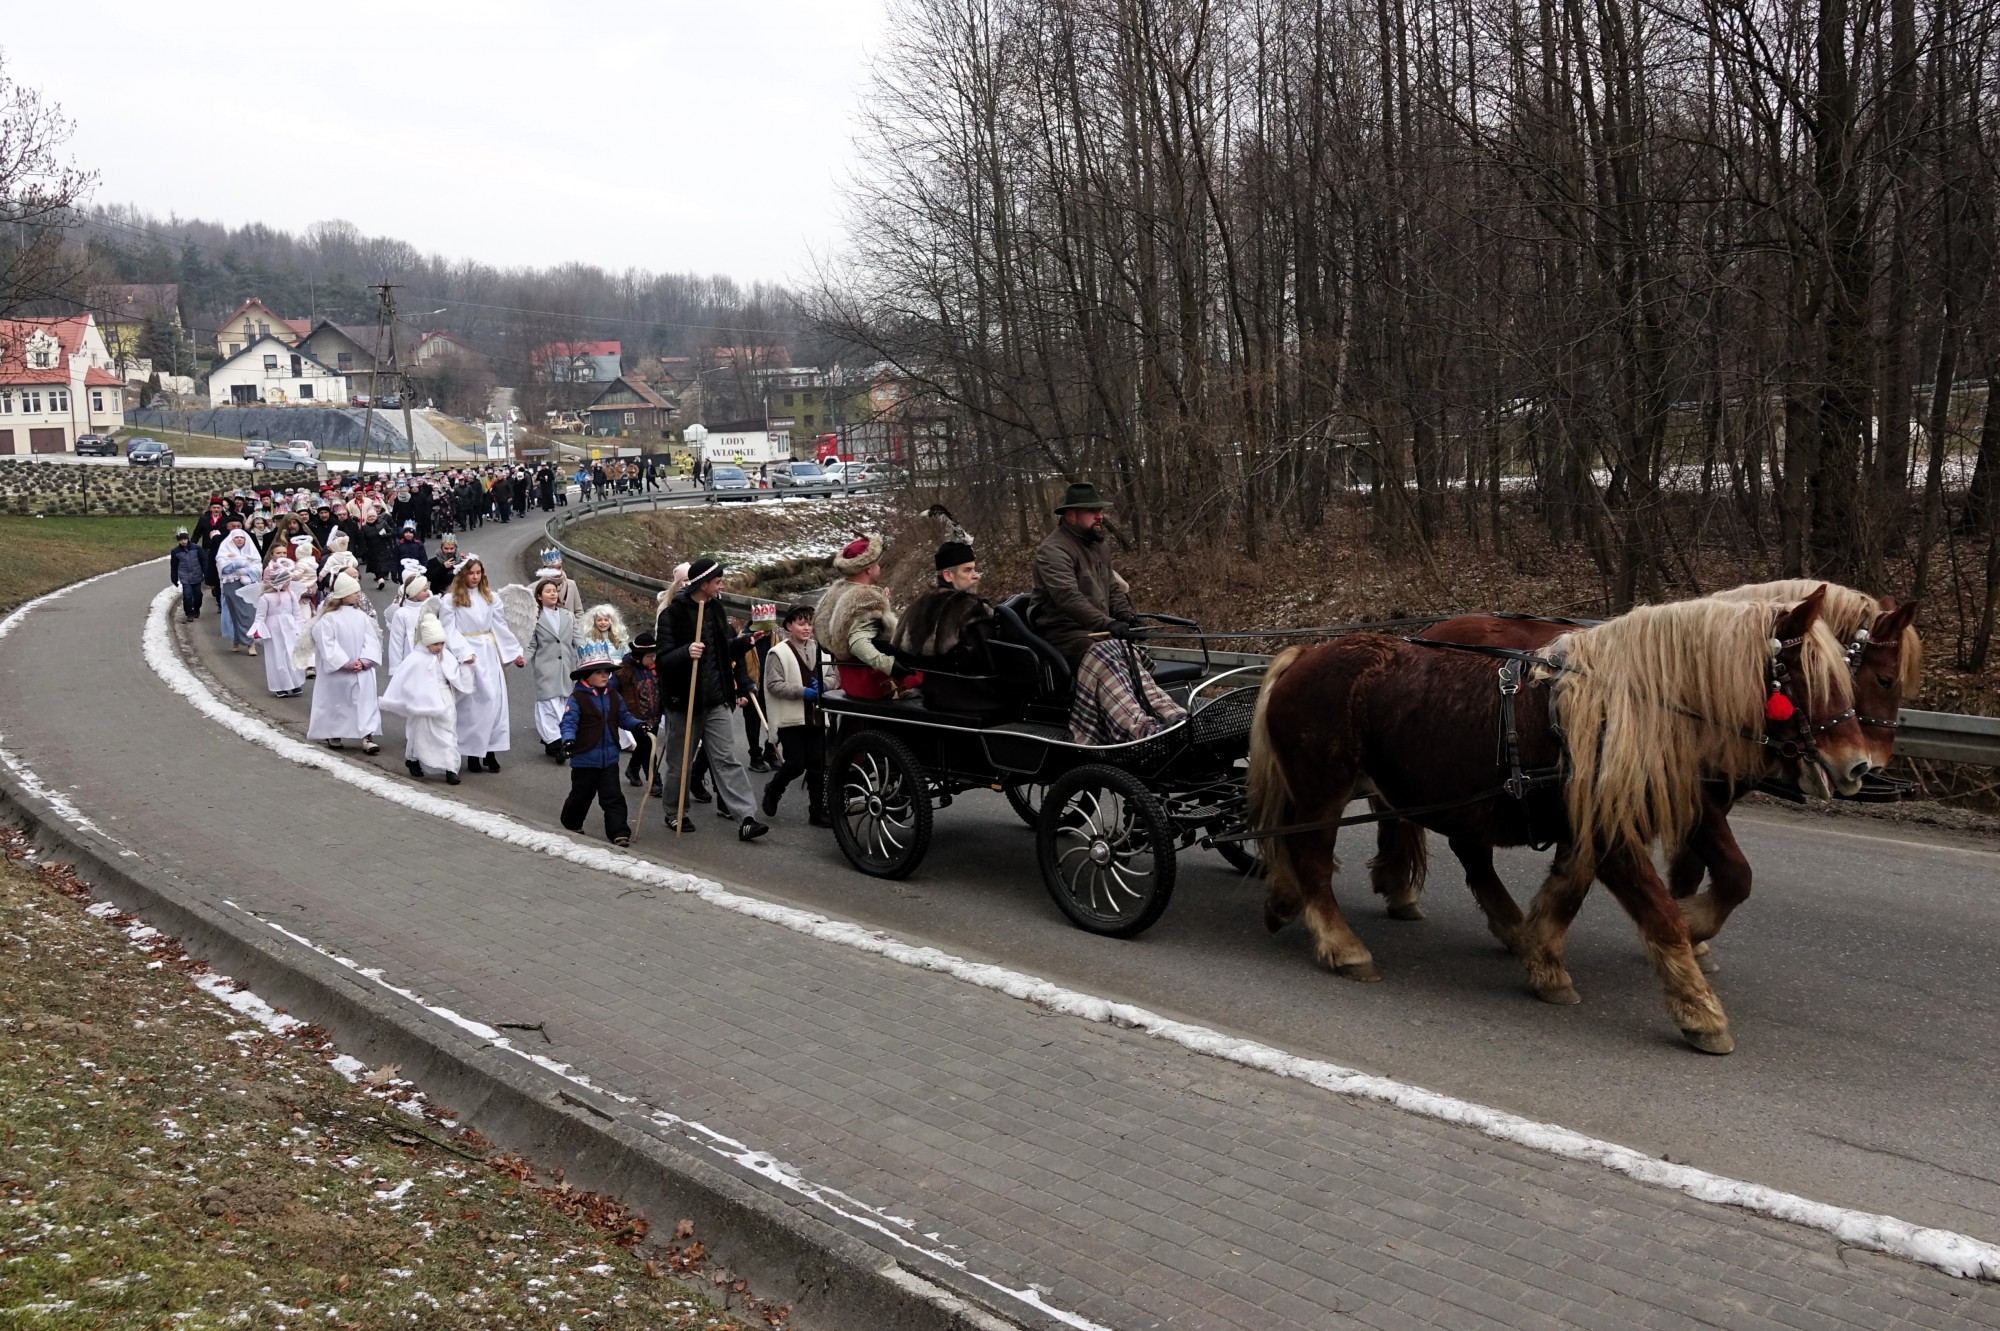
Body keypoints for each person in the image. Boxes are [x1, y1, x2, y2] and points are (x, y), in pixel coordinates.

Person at [1029, 481, 1186, 743]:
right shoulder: (1053, 550)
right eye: (1092, 511)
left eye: (1099, 510)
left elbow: (1113, 589)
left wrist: (1127, 617)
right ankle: (1139, 729)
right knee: (1110, 651)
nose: (1100, 516)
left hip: (1095, 631)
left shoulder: (1098, 545)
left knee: (1125, 652)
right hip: (1063, 635)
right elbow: (1068, 597)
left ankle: (1174, 717)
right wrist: (1108, 623)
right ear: (1071, 515)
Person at [655, 556, 767, 840]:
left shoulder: (716, 610)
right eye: (718, 582)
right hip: (684, 703)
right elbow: (663, 659)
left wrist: (743, 643)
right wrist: (686, 652)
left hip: (716, 700)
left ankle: (746, 817)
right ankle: (675, 812)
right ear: (704, 584)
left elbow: (722, 649)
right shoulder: (673, 615)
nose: (722, 586)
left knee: (727, 759)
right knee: (680, 763)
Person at [436, 555, 525, 774]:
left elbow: (499, 626)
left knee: (494, 701)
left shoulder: (490, 597)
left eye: (478, 573)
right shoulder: (451, 600)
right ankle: (473, 753)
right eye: (471, 573)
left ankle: (490, 750)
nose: (475, 577)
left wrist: (515, 652)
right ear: (462, 575)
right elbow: (448, 629)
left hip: (488, 651)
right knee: (472, 705)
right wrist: (462, 652)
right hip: (468, 652)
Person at [893, 539, 1002, 714]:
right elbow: (991, 660)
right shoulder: (972, 609)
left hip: (932, 694)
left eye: (974, 569)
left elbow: (901, 651)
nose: (975, 575)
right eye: (967, 570)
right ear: (948, 576)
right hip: (975, 699)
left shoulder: (917, 605)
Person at [559, 641, 648, 846]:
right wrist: (569, 741)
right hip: (585, 759)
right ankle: (571, 822)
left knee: (613, 798)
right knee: (581, 796)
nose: (604, 676)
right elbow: (569, 723)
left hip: (609, 759)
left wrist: (638, 726)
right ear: (586, 675)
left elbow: (624, 717)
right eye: (599, 672)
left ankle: (619, 832)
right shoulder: (577, 698)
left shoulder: (614, 696)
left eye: (607, 672)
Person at [816, 534, 916, 700]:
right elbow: (858, 644)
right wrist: (891, 666)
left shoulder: (835, 592)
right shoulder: (865, 599)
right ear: (868, 568)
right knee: (921, 671)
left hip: (849, 678)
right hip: (870, 682)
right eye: (877, 564)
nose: (879, 567)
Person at [380, 614, 474, 785]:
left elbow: (455, 675)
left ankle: (451, 768)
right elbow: (405, 680)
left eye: (441, 643)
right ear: (426, 642)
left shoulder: (446, 657)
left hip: (444, 699)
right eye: (435, 644)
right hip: (422, 701)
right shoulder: (416, 659)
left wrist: (466, 665)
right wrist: (412, 698)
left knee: (448, 732)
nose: (439, 647)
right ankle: (414, 758)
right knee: (420, 731)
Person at [760, 605, 833, 826]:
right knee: (795, 763)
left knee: (817, 766)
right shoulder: (778, 653)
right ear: (789, 626)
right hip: (791, 720)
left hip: (817, 717)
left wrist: (824, 685)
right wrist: (802, 691)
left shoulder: (821, 651)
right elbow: (773, 685)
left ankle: (816, 811)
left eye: (809, 623)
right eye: (802, 623)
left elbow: (834, 676)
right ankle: (773, 789)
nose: (807, 628)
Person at [306, 572, 383, 755]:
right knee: (337, 701)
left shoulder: (361, 616)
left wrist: (364, 661)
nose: (358, 595)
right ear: (344, 594)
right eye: (354, 592)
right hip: (339, 671)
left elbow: (371, 640)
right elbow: (327, 644)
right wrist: (346, 663)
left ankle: (366, 735)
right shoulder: (328, 618)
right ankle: (334, 733)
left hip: (361, 669)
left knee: (364, 700)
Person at [525, 578, 578, 760]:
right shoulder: (536, 618)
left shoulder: (567, 616)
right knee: (547, 706)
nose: (553, 594)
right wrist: (521, 659)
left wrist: (589, 657)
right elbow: (531, 645)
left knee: (563, 706)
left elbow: (578, 640)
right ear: (539, 596)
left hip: (565, 669)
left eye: (554, 590)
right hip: (545, 670)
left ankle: (555, 741)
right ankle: (556, 744)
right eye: (548, 591)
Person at [248, 557, 306, 697]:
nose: (288, 584)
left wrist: (300, 628)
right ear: (279, 582)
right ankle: (280, 686)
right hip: (273, 630)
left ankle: (295, 683)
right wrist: (258, 630)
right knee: (277, 656)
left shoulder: (290, 594)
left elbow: (297, 613)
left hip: (289, 627)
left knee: (291, 654)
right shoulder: (265, 598)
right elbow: (260, 617)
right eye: (286, 581)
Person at [615, 631, 663, 792]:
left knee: (645, 747)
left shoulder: (656, 668)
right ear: (638, 656)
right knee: (648, 747)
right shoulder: (624, 671)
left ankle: (632, 769)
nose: (653, 659)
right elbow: (612, 691)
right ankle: (653, 779)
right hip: (635, 718)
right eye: (649, 656)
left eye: (654, 655)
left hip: (654, 715)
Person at [383, 562, 439, 677]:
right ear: (414, 592)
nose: (428, 593)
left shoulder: (429, 608)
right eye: (424, 590)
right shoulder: (402, 613)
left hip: (430, 658)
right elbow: (396, 642)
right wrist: (396, 668)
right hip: (410, 660)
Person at [214, 526, 263, 655]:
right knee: (234, 613)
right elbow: (223, 567)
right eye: (237, 538)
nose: (240, 540)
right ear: (231, 540)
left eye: (242, 537)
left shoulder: (252, 552)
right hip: (231, 584)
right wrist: (237, 564)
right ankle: (236, 639)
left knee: (248, 613)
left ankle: (250, 642)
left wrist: (247, 571)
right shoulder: (224, 551)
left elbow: (258, 567)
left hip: (248, 584)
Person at [168, 528, 205, 621]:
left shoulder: (197, 549)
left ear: (188, 539)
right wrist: (174, 578)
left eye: (185, 539)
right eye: (181, 540)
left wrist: (206, 574)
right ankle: (189, 613)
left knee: (198, 595)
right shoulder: (176, 552)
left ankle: (196, 609)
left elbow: (203, 562)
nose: (183, 541)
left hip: (197, 575)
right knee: (187, 595)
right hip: (185, 576)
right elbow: (174, 566)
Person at [424, 535, 464, 600]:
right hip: (439, 596)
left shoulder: (461, 562)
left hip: (457, 595)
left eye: (451, 548)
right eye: (446, 548)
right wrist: (443, 567)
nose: (449, 551)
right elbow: (429, 577)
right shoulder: (433, 562)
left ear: (455, 548)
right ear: (441, 548)